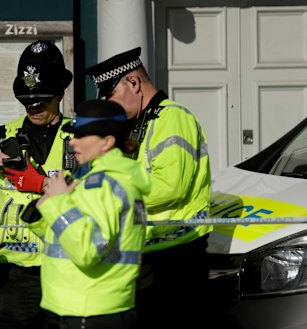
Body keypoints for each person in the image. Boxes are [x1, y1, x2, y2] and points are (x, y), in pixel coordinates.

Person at [85, 47, 212, 329]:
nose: (111, 106)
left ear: (134, 83)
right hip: (147, 252)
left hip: (176, 258)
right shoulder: (137, 123)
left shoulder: (173, 117)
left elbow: (172, 187)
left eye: (112, 96)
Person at [0, 40, 74, 329]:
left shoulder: (79, 138)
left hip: (65, 267)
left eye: (41, 101)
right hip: (14, 276)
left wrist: (42, 184)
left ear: (61, 93)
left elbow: (94, 196)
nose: (34, 108)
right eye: (27, 102)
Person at [20, 99, 151, 329]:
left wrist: (59, 202)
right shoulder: (92, 179)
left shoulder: (107, 184)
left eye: (81, 136)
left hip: (90, 312)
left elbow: (88, 249)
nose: (72, 142)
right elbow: (65, 236)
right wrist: (44, 206)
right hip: (76, 308)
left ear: (107, 142)